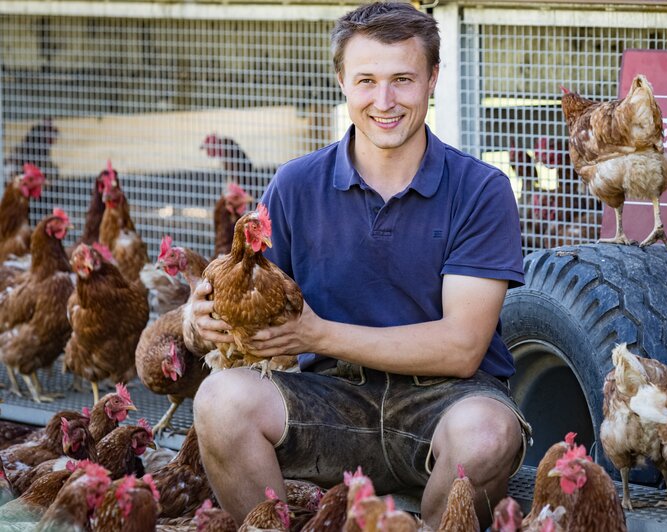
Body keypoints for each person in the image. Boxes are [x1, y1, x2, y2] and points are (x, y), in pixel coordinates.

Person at [186, 1, 530, 528]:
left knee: (488, 434)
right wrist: (197, 322)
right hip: (329, 399)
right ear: (342, 81)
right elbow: (244, 293)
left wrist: (316, 335)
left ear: (433, 79)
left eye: (403, 79)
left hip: (445, 401)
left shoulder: (480, 190)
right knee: (220, 401)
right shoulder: (296, 185)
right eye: (366, 80)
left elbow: (463, 348)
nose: (384, 101)